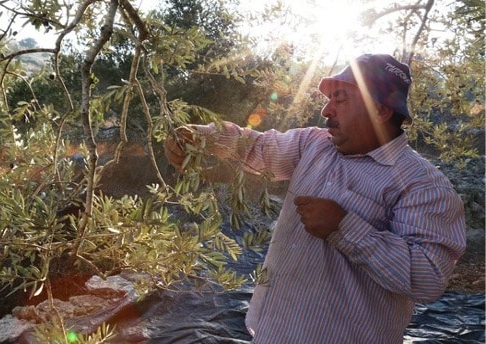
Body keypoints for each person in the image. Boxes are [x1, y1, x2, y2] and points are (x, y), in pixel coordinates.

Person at [163, 54, 466, 343]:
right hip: (273, 332)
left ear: (381, 111)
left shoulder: (423, 186)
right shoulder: (314, 145)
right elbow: (257, 147)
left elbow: (427, 278)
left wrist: (343, 227)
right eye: (329, 99)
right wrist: (202, 137)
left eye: (341, 99)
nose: (327, 111)